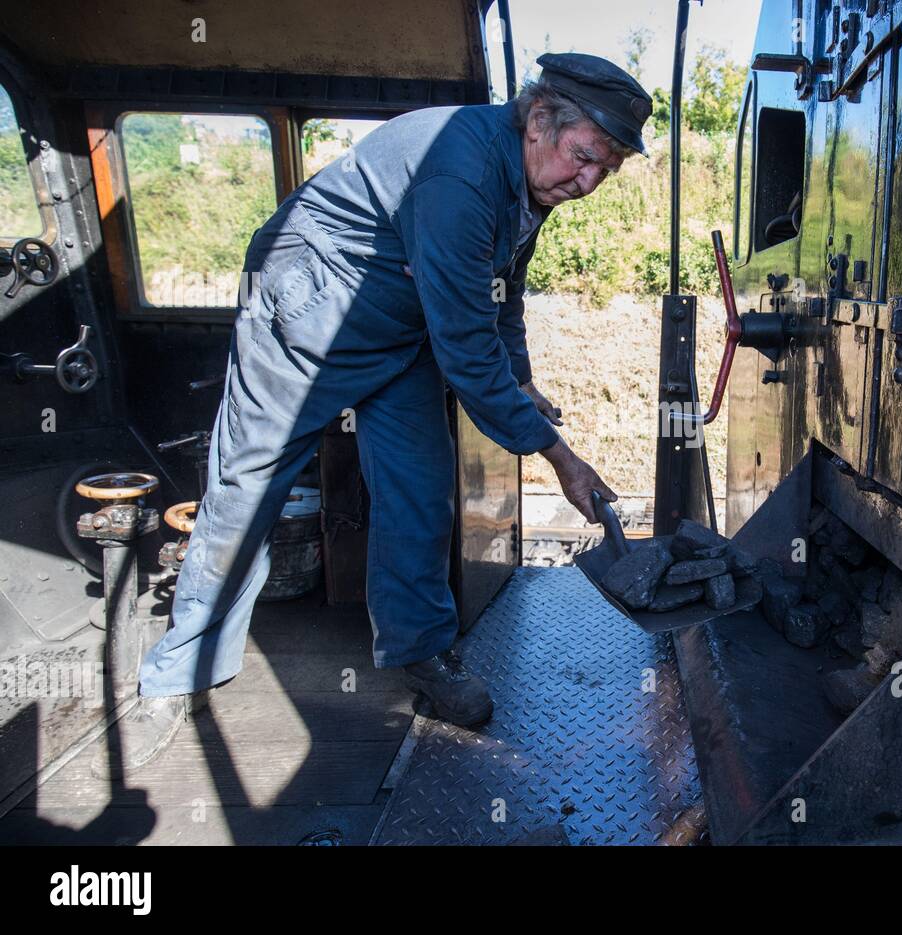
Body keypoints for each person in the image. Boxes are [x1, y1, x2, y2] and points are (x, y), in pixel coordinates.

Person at [103, 54, 653, 772]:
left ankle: (420, 652)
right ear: (540, 119)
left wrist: (522, 380)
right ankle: (183, 670)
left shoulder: (529, 183)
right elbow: (463, 345)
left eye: (602, 172)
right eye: (583, 158)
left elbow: (500, 297)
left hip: (400, 325)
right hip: (309, 305)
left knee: (421, 492)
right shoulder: (462, 171)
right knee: (249, 489)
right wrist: (557, 454)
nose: (585, 184)